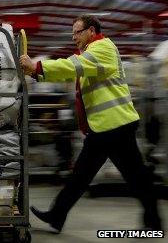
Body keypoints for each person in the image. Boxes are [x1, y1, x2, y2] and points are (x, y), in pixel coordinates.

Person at [19, 15, 162, 232]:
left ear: (92, 31)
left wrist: (37, 67)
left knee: (133, 177)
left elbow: (72, 66)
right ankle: (56, 216)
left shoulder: (103, 48)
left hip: (115, 126)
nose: (73, 37)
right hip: (106, 127)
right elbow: (71, 73)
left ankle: (154, 223)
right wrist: (36, 75)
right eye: (73, 32)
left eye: (77, 32)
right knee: (83, 176)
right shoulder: (90, 54)